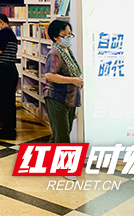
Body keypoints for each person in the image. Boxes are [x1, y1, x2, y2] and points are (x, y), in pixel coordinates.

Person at [43, 20, 83, 180]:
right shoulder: (55, 53)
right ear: (55, 37)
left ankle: (46, 161)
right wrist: (73, 81)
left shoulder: (67, 51)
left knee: (60, 133)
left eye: (70, 34)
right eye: (64, 35)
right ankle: (66, 168)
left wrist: (77, 81)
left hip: (70, 98)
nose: (68, 38)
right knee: (63, 135)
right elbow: (49, 75)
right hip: (56, 97)